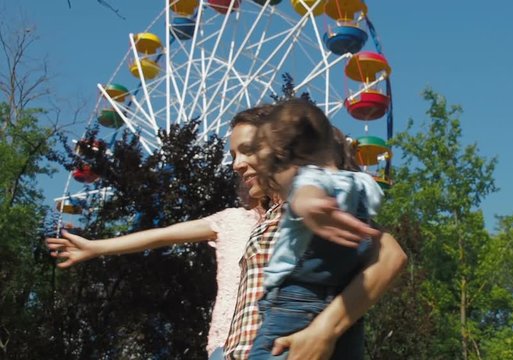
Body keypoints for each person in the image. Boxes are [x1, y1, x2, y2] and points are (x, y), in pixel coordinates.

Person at [47, 104, 406, 360]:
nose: (236, 164)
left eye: (248, 150)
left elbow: (391, 256)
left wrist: (325, 329)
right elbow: (164, 234)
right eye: (233, 154)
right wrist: (95, 248)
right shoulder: (247, 219)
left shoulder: (319, 200)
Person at [243, 98, 383, 359]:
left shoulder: (309, 179)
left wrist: (307, 204)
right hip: (346, 307)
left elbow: (307, 191)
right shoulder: (365, 185)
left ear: (288, 157)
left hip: (294, 304)